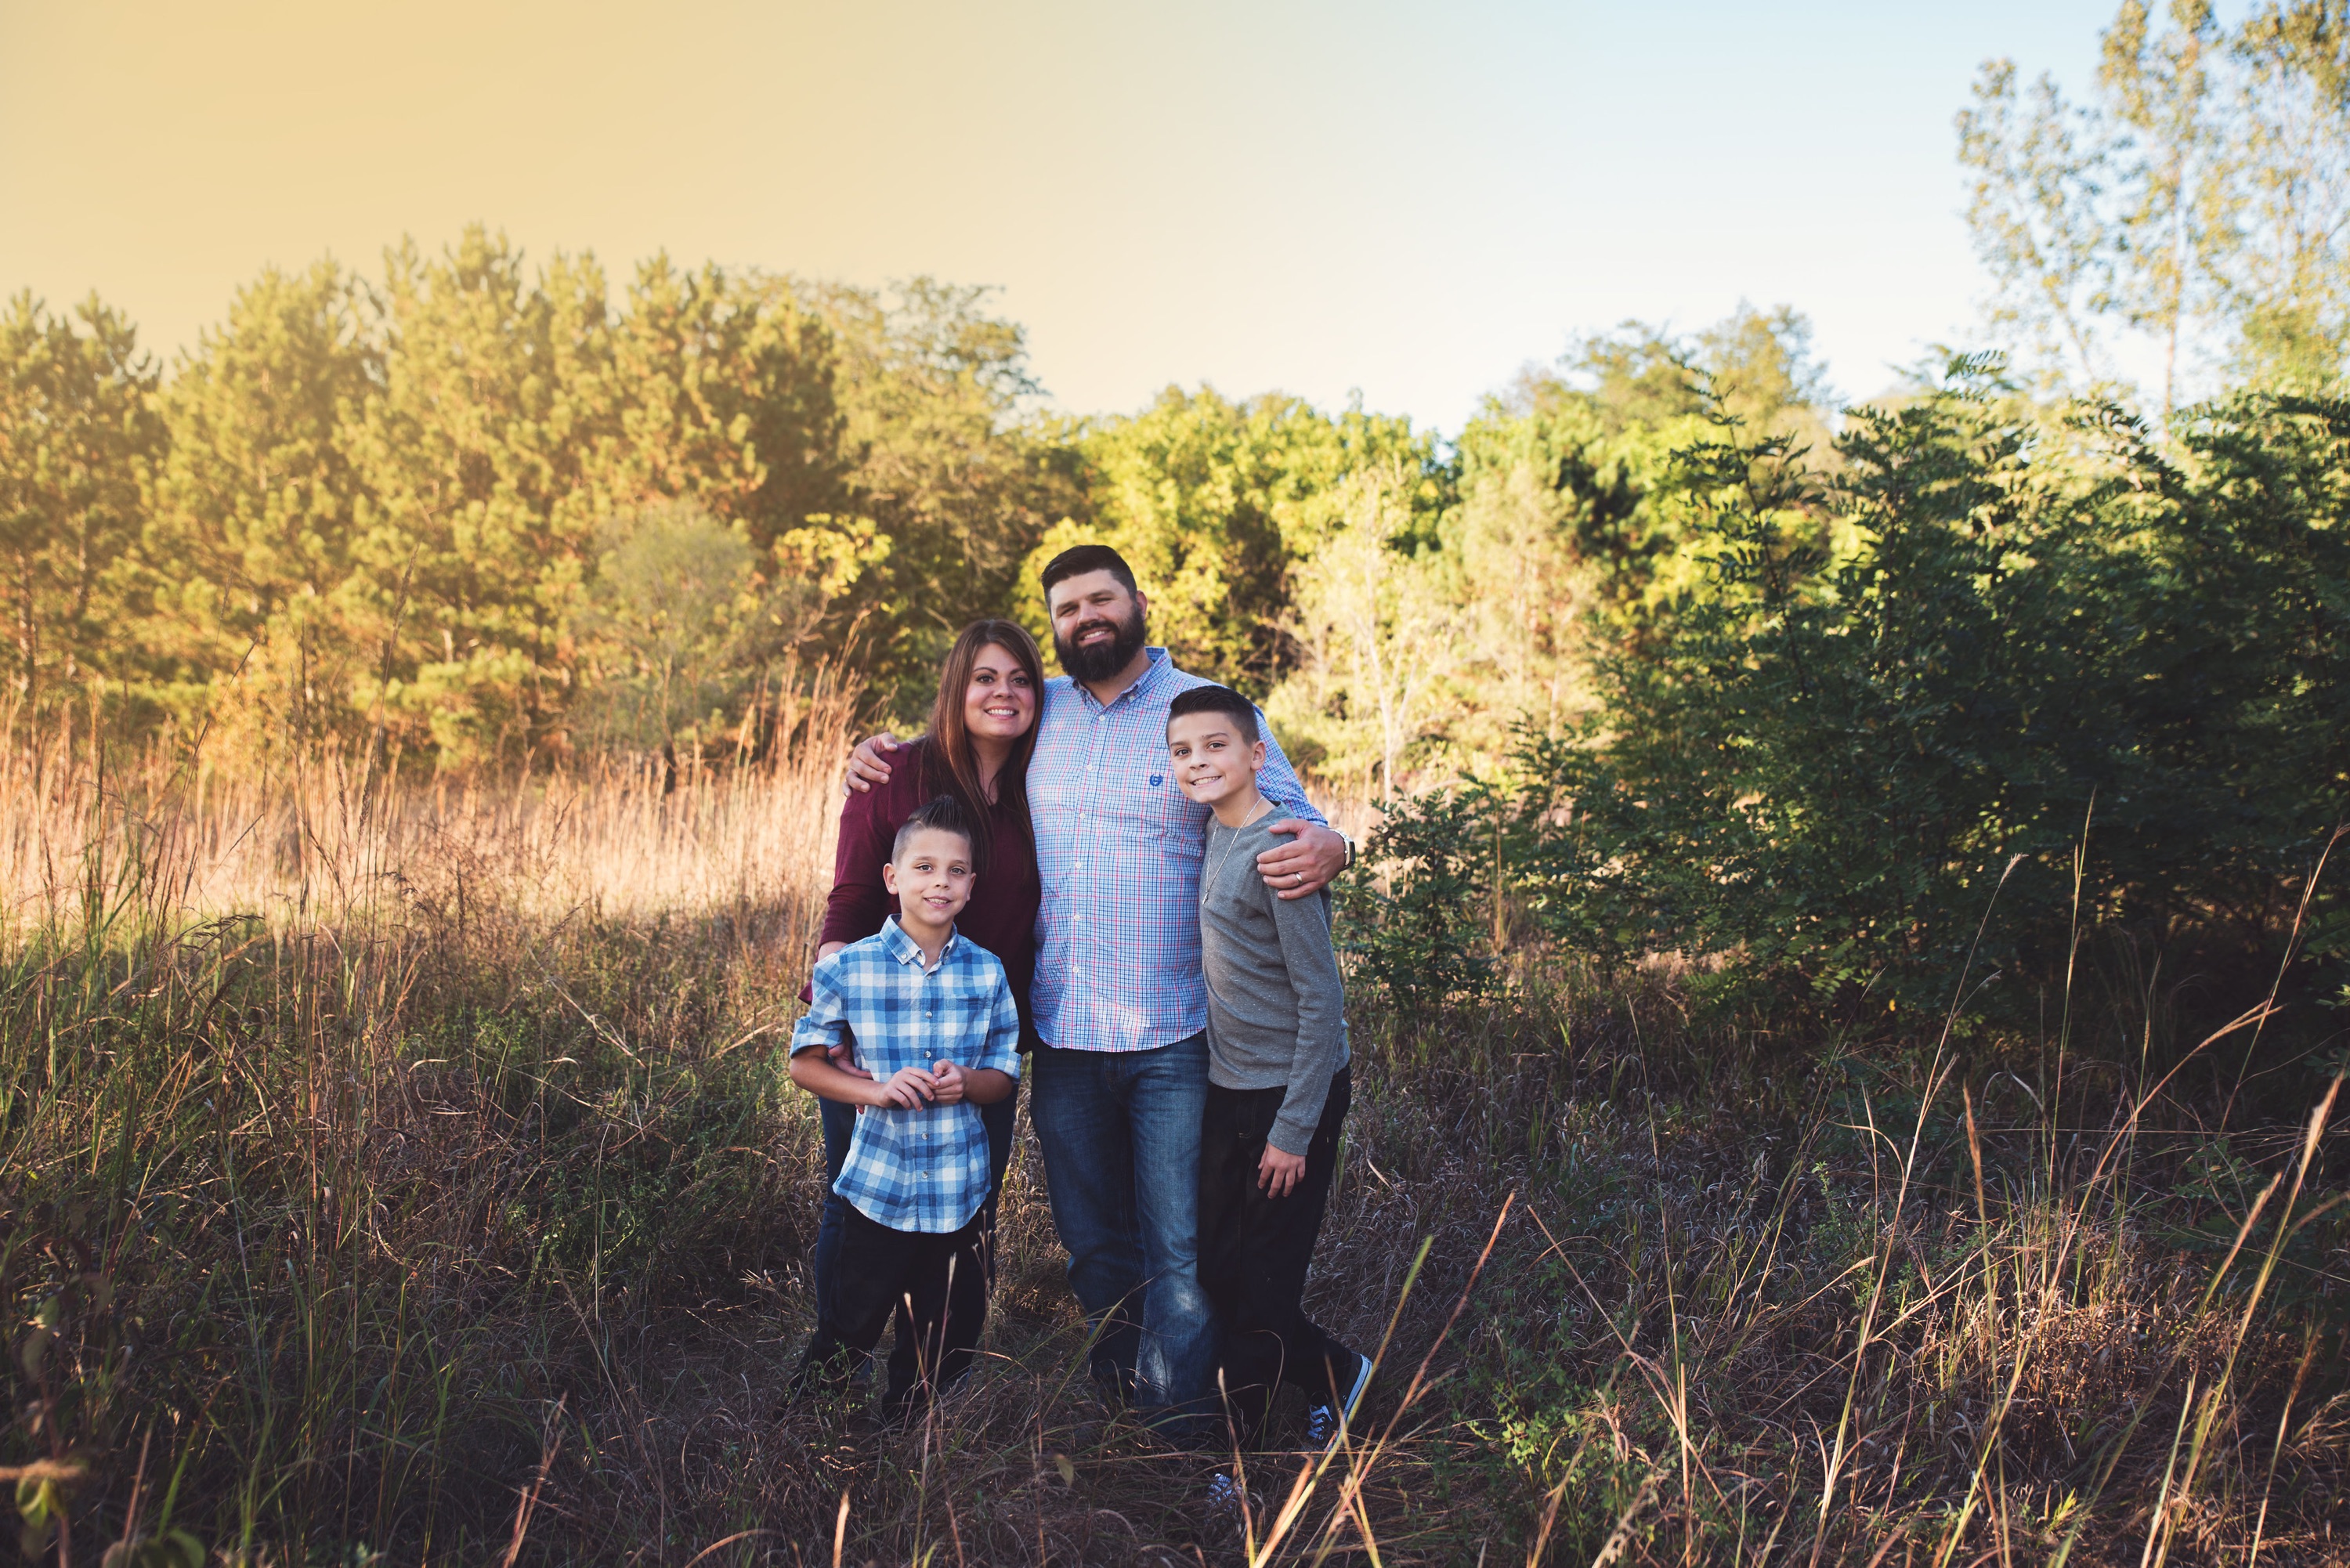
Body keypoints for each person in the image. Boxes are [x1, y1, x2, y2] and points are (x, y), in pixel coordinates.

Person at [845, 545, 1350, 1433]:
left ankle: (1182, 1430)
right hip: (1064, 1037)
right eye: (1067, 608)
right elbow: (962, 746)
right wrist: (875, 754)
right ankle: (1127, 1408)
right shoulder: (1043, 715)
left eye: (1100, 599)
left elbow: (1293, 822)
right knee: (1093, 1247)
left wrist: (1336, 843)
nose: (1086, 618)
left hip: (1175, 1036)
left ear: (1138, 601)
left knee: (1179, 1252)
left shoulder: (1200, 712)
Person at [810, 620, 1043, 1398]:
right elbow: (850, 896)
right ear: (955, 686)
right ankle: (833, 1376)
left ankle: (926, 1395)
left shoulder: (1042, 783)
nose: (1003, 693)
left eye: (1020, 679)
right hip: (879, 1028)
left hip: (977, 1040)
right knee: (854, 1204)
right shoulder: (894, 773)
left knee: (968, 1209)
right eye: (985, 677)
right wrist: (837, 1014)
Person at [1166, 685, 1372, 1448]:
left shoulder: (1280, 849)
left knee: (1262, 1288)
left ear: (1258, 755)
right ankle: (1336, 1372)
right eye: (1182, 751)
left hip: (1293, 1090)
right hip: (1230, 1088)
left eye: (1215, 745)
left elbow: (1323, 1002)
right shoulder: (1212, 831)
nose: (1198, 762)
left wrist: (1293, 1129)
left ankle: (1237, 1458)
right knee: (1220, 1272)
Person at [786, 795, 1022, 1417]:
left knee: (940, 1339)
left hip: (957, 1190)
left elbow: (1003, 1077)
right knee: (849, 1323)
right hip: (879, 1186)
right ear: (892, 878)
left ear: (971, 885)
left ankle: (913, 1436)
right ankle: (803, 1429)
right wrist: (877, 1091)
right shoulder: (849, 968)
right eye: (924, 868)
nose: (940, 882)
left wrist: (966, 1081)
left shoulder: (987, 974)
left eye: (955, 871)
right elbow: (804, 1064)